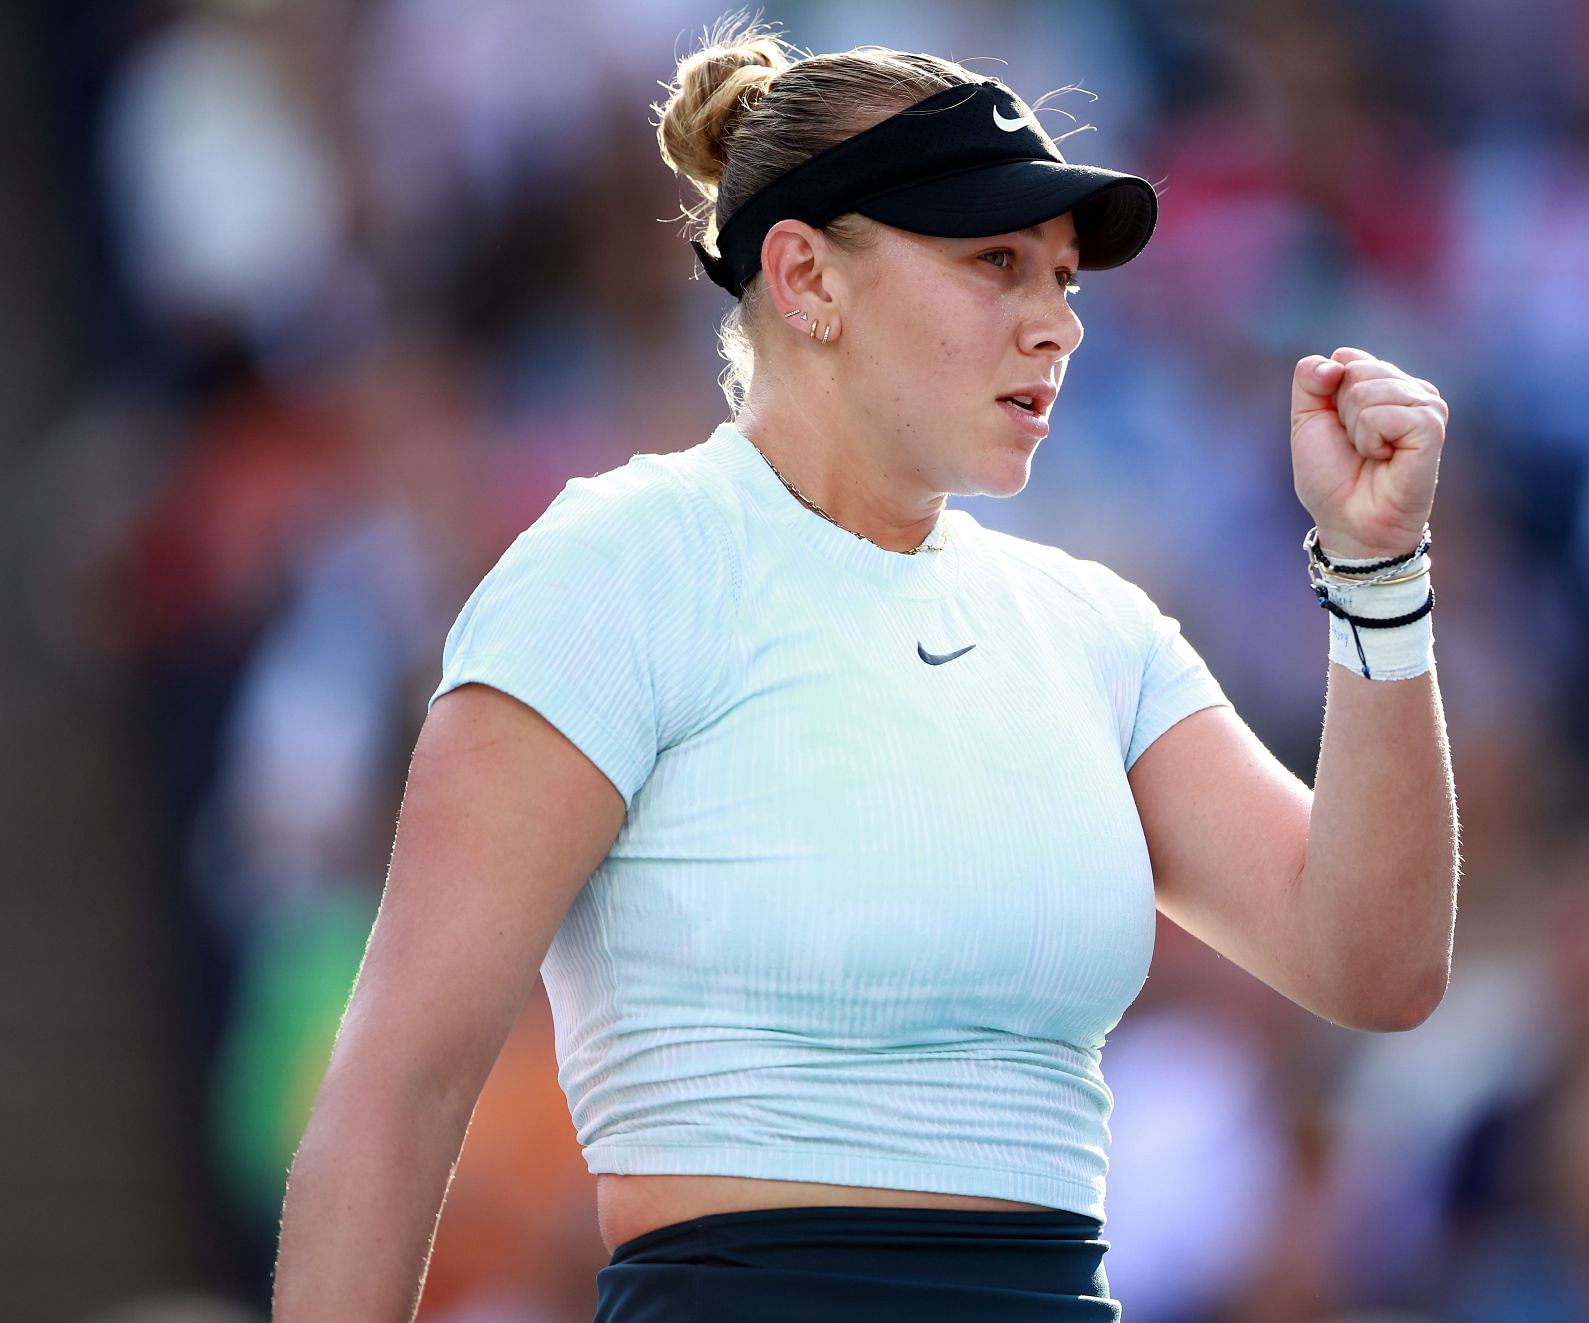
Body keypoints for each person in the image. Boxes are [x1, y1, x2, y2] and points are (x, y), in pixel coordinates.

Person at [271, 14, 1460, 1323]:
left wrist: (1377, 581)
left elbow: (1375, 963)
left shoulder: (1090, 626)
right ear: (805, 279)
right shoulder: (619, 568)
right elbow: (401, 1083)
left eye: (1062, 276)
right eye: (994, 261)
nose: (1055, 323)